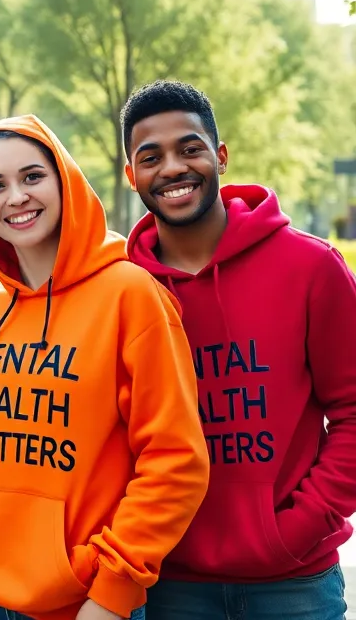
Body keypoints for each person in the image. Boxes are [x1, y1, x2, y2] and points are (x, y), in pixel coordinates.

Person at [0, 115, 210, 620]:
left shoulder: (130, 294)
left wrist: (112, 590)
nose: (16, 197)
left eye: (32, 177)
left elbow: (175, 462)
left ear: (65, 182)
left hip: (83, 599)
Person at [121, 80, 356, 620]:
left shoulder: (311, 268)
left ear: (220, 157)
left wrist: (300, 525)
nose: (173, 168)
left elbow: (350, 410)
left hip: (293, 582)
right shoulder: (124, 287)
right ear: (132, 176)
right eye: (150, 157)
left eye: (190, 148)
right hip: (166, 582)